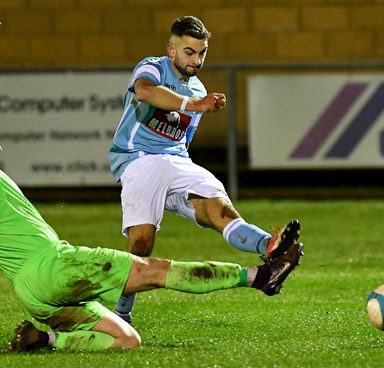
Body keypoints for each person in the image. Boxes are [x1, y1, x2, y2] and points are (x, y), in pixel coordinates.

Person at [0, 75, 303, 352]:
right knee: (156, 271)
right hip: (54, 266)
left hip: (31, 294)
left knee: (127, 340)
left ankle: (44, 339)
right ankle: (257, 276)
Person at [109, 15, 302, 323]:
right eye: (189, 52)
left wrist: (195, 107)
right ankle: (121, 313)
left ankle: (270, 248)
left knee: (221, 211)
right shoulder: (152, 67)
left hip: (177, 161)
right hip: (139, 158)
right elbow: (145, 92)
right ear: (172, 50)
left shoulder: (198, 88)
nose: (196, 60)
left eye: (202, 53)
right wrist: (195, 104)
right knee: (142, 244)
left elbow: (182, 141)